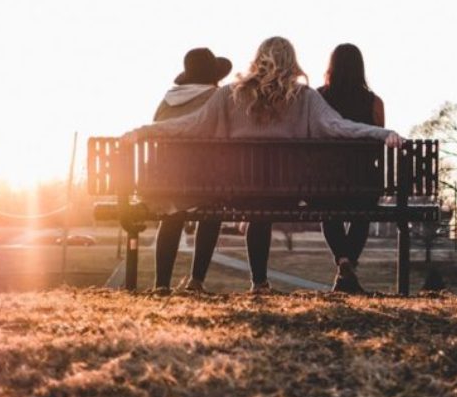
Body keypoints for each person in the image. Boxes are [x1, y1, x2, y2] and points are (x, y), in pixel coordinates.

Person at [122, 36, 403, 293]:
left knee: (257, 206)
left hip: (238, 194)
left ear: (257, 61)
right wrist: (382, 133)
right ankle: (262, 282)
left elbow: (190, 125)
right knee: (267, 202)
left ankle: (259, 283)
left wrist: (145, 131)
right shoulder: (305, 97)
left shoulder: (229, 95)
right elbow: (339, 127)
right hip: (288, 195)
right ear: (292, 63)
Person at [151, 47, 232, 294]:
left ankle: (161, 284)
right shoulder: (218, 97)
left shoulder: (167, 100)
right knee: (213, 210)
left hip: (167, 182)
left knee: (172, 213)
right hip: (204, 182)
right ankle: (196, 281)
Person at [317, 43, 385, 294]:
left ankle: (343, 261)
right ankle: (348, 264)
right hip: (364, 183)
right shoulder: (374, 102)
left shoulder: (318, 98)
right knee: (362, 214)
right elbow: (378, 144)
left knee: (327, 211)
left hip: (326, 183)